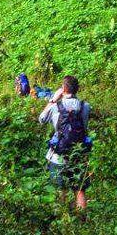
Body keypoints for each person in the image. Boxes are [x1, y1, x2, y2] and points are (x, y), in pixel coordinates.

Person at [39, 76, 92, 211]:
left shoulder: (56, 107)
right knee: (79, 190)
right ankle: (82, 221)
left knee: (60, 189)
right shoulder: (85, 106)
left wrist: (52, 100)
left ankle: (62, 220)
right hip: (79, 153)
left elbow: (41, 119)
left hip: (59, 154)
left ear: (63, 89)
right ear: (77, 89)